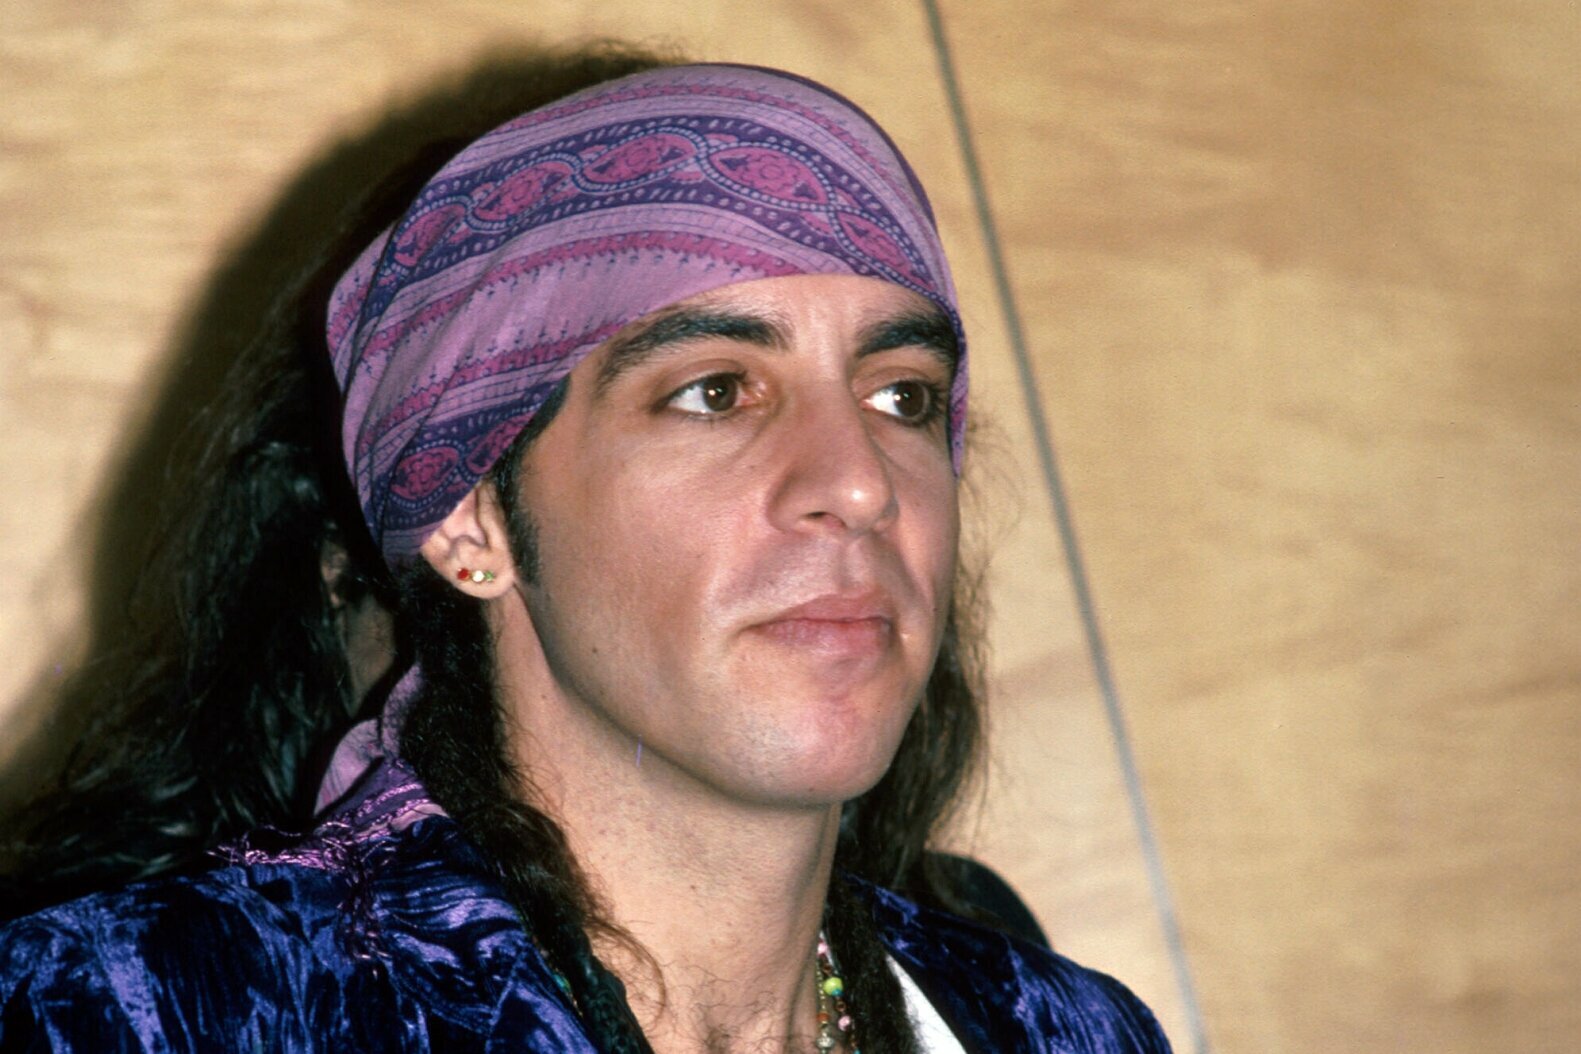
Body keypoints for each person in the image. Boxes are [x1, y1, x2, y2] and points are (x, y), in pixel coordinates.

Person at [0, 58, 1170, 1053]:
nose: (861, 482)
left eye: (903, 396)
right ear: (473, 517)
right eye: (717, 392)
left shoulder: (1062, 1028)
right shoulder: (130, 1011)